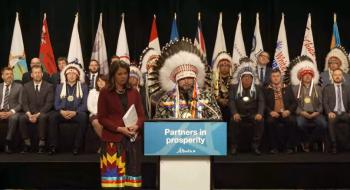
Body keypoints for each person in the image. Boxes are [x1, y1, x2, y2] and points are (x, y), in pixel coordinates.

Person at [98, 60, 145, 188]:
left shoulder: (134, 92)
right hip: (112, 142)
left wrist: (137, 126)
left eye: (125, 73)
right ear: (113, 75)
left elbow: (141, 115)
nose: (123, 76)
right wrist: (119, 129)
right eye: (120, 74)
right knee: (112, 183)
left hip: (132, 140)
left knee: (132, 181)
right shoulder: (105, 92)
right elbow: (101, 118)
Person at [153, 39, 222, 119]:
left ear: (194, 79)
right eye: (182, 78)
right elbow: (158, 122)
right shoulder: (165, 99)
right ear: (177, 80)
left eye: (189, 78)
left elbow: (217, 117)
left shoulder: (206, 96)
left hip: (201, 131)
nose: (186, 81)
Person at [48, 62, 88, 155]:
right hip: (62, 112)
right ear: (65, 75)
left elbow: (85, 105)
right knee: (52, 117)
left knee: (84, 117)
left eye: (74, 74)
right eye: (69, 74)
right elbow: (56, 103)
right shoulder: (59, 87)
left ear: (77, 75)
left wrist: (75, 112)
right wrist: (61, 111)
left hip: (76, 113)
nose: (71, 76)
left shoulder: (84, 87)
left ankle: (77, 147)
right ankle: (53, 146)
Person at [290, 56, 327, 152]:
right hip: (302, 113)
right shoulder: (295, 88)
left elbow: (321, 103)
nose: (307, 76)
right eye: (305, 75)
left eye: (309, 75)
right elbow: (293, 104)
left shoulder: (318, 88)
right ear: (301, 77)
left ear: (312, 76)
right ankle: (308, 141)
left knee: (323, 124)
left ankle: (309, 142)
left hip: (315, 113)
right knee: (299, 124)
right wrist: (301, 112)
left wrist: (317, 112)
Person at [229, 57, 265, 155]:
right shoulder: (234, 88)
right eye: (245, 77)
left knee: (260, 121)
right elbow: (231, 102)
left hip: (253, 114)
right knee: (233, 121)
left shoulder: (257, 88)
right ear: (241, 78)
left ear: (252, 79)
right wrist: (235, 113)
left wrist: (260, 114)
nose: (247, 79)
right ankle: (234, 146)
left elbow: (261, 102)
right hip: (239, 114)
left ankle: (255, 146)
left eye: (249, 77)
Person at [19, 65, 54, 153]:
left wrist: (38, 114)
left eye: (39, 73)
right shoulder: (26, 86)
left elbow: (49, 103)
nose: (37, 74)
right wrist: (29, 114)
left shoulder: (49, 86)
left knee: (42, 117)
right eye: (35, 73)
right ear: (32, 75)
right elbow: (24, 103)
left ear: (42, 74)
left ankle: (41, 144)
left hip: (43, 112)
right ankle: (27, 143)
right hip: (30, 113)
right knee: (21, 118)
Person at [264, 69, 297, 154]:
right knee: (270, 122)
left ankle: (289, 147)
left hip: (285, 113)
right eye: (273, 76)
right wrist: (270, 112)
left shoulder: (287, 87)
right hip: (273, 113)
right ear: (270, 78)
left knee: (292, 121)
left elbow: (294, 102)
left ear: (281, 77)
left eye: (277, 76)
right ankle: (274, 147)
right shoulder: (267, 89)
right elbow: (263, 104)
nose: (275, 78)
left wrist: (289, 111)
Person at [323, 68, 350, 154]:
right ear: (332, 76)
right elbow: (325, 102)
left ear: (342, 76)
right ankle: (334, 145)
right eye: (335, 75)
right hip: (333, 113)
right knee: (331, 120)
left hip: (344, 113)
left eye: (339, 75)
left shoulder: (348, 88)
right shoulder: (327, 88)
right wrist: (329, 112)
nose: (337, 77)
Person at [0, 67, 22, 153]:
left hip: (12, 111)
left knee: (14, 118)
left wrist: (11, 112)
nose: (9, 76)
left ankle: (8, 142)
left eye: (11, 74)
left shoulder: (19, 86)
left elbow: (21, 104)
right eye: (7, 74)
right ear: (2, 76)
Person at [212, 51, 235, 123]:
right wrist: (219, 100)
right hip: (216, 104)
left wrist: (229, 101)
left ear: (230, 67)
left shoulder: (234, 79)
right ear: (218, 67)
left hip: (231, 104)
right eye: (222, 65)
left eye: (227, 66)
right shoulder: (213, 79)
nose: (224, 67)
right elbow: (210, 92)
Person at [139, 47, 161, 118]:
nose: (153, 67)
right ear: (147, 65)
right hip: (144, 115)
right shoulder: (142, 79)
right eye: (151, 65)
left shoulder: (163, 80)